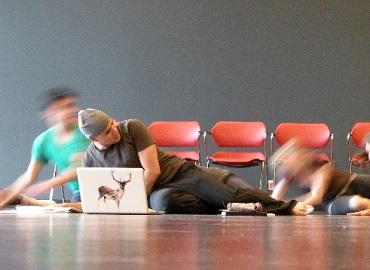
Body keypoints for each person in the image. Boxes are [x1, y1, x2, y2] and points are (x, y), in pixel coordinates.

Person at [77, 108, 308, 215]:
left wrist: (133, 204)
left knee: (228, 197)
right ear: (94, 138)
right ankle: (216, 206)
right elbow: (87, 199)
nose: (114, 130)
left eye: (112, 123)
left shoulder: (131, 128)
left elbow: (152, 170)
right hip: (156, 193)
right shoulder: (91, 157)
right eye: (107, 131)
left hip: (178, 174)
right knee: (165, 203)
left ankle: (288, 207)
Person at [0, 87, 91, 207]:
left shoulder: (85, 131)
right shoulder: (43, 141)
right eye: (64, 107)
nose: (71, 110)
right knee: (62, 210)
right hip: (79, 194)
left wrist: (49, 183)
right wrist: (4, 202)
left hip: (100, 188)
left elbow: (79, 167)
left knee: (61, 208)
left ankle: (42, 204)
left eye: (72, 105)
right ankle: (40, 203)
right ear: (49, 112)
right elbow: (28, 177)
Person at [271, 139, 370, 215]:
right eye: (285, 162)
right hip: (332, 202)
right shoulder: (288, 176)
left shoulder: (320, 166)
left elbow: (316, 197)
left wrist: (289, 204)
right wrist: (285, 177)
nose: (287, 162)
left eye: (290, 157)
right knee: (356, 203)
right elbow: (274, 202)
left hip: (352, 182)